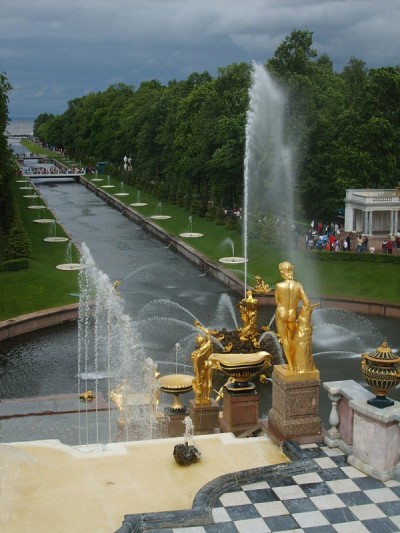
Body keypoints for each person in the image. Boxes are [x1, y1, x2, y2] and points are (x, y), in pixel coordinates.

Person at [274, 261, 316, 372]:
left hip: (281, 313)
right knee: (291, 338)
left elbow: (277, 301)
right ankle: (295, 362)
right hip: (292, 314)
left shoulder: (279, 286)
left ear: (282, 272)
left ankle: (290, 365)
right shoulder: (298, 286)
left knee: (284, 340)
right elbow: (307, 303)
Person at [191, 320, 217, 406]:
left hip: (202, 366)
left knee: (200, 381)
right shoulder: (209, 344)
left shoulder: (199, 352)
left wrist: (196, 370)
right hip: (209, 364)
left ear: (198, 343)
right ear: (203, 340)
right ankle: (208, 398)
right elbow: (208, 333)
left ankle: (199, 397)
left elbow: (196, 363)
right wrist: (199, 326)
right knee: (209, 381)